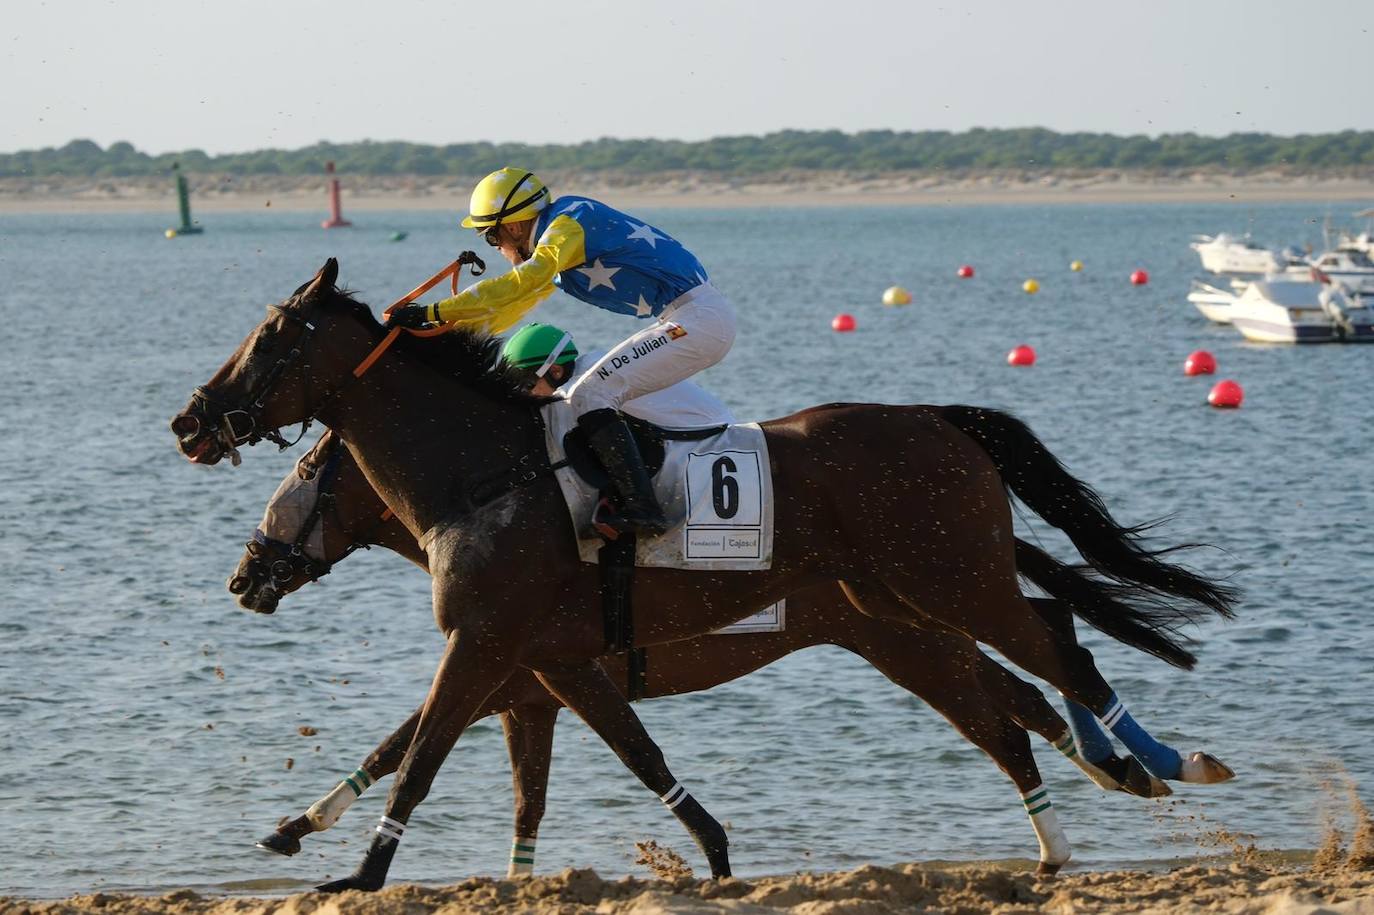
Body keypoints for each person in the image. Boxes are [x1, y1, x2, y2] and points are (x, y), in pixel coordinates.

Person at [389, 168, 735, 535]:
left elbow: (521, 282)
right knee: (593, 395)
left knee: (591, 394)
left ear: (514, 227)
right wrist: (438, 336)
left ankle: (643, 509)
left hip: (698, 319)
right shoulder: (559, 251)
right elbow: (513, 305)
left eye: (492, 236)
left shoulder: (567, 224)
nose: (497, 248)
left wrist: (435, 311)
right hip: (689, 317)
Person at [500, 322, 735, 429]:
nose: (526, 394)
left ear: (555, 371)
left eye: (527, 383)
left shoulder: (580, 389)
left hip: (708, 435)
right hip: (704, 426)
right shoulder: (594, 362)